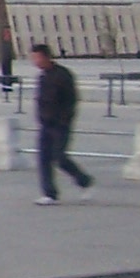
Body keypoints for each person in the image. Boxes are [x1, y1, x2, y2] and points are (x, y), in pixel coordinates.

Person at [29, 42, 89, 204]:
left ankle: (84, 181)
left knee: (60, 157)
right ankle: (49, 194)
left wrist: (64, 119)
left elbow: (71, 100)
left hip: (60, 124)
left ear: (47, 57)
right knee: (43, 159)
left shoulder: (63, 75)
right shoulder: (42, 77)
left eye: (37, 58)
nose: (35, 62)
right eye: (33, 58)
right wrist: (41, 118)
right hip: (45, 124)